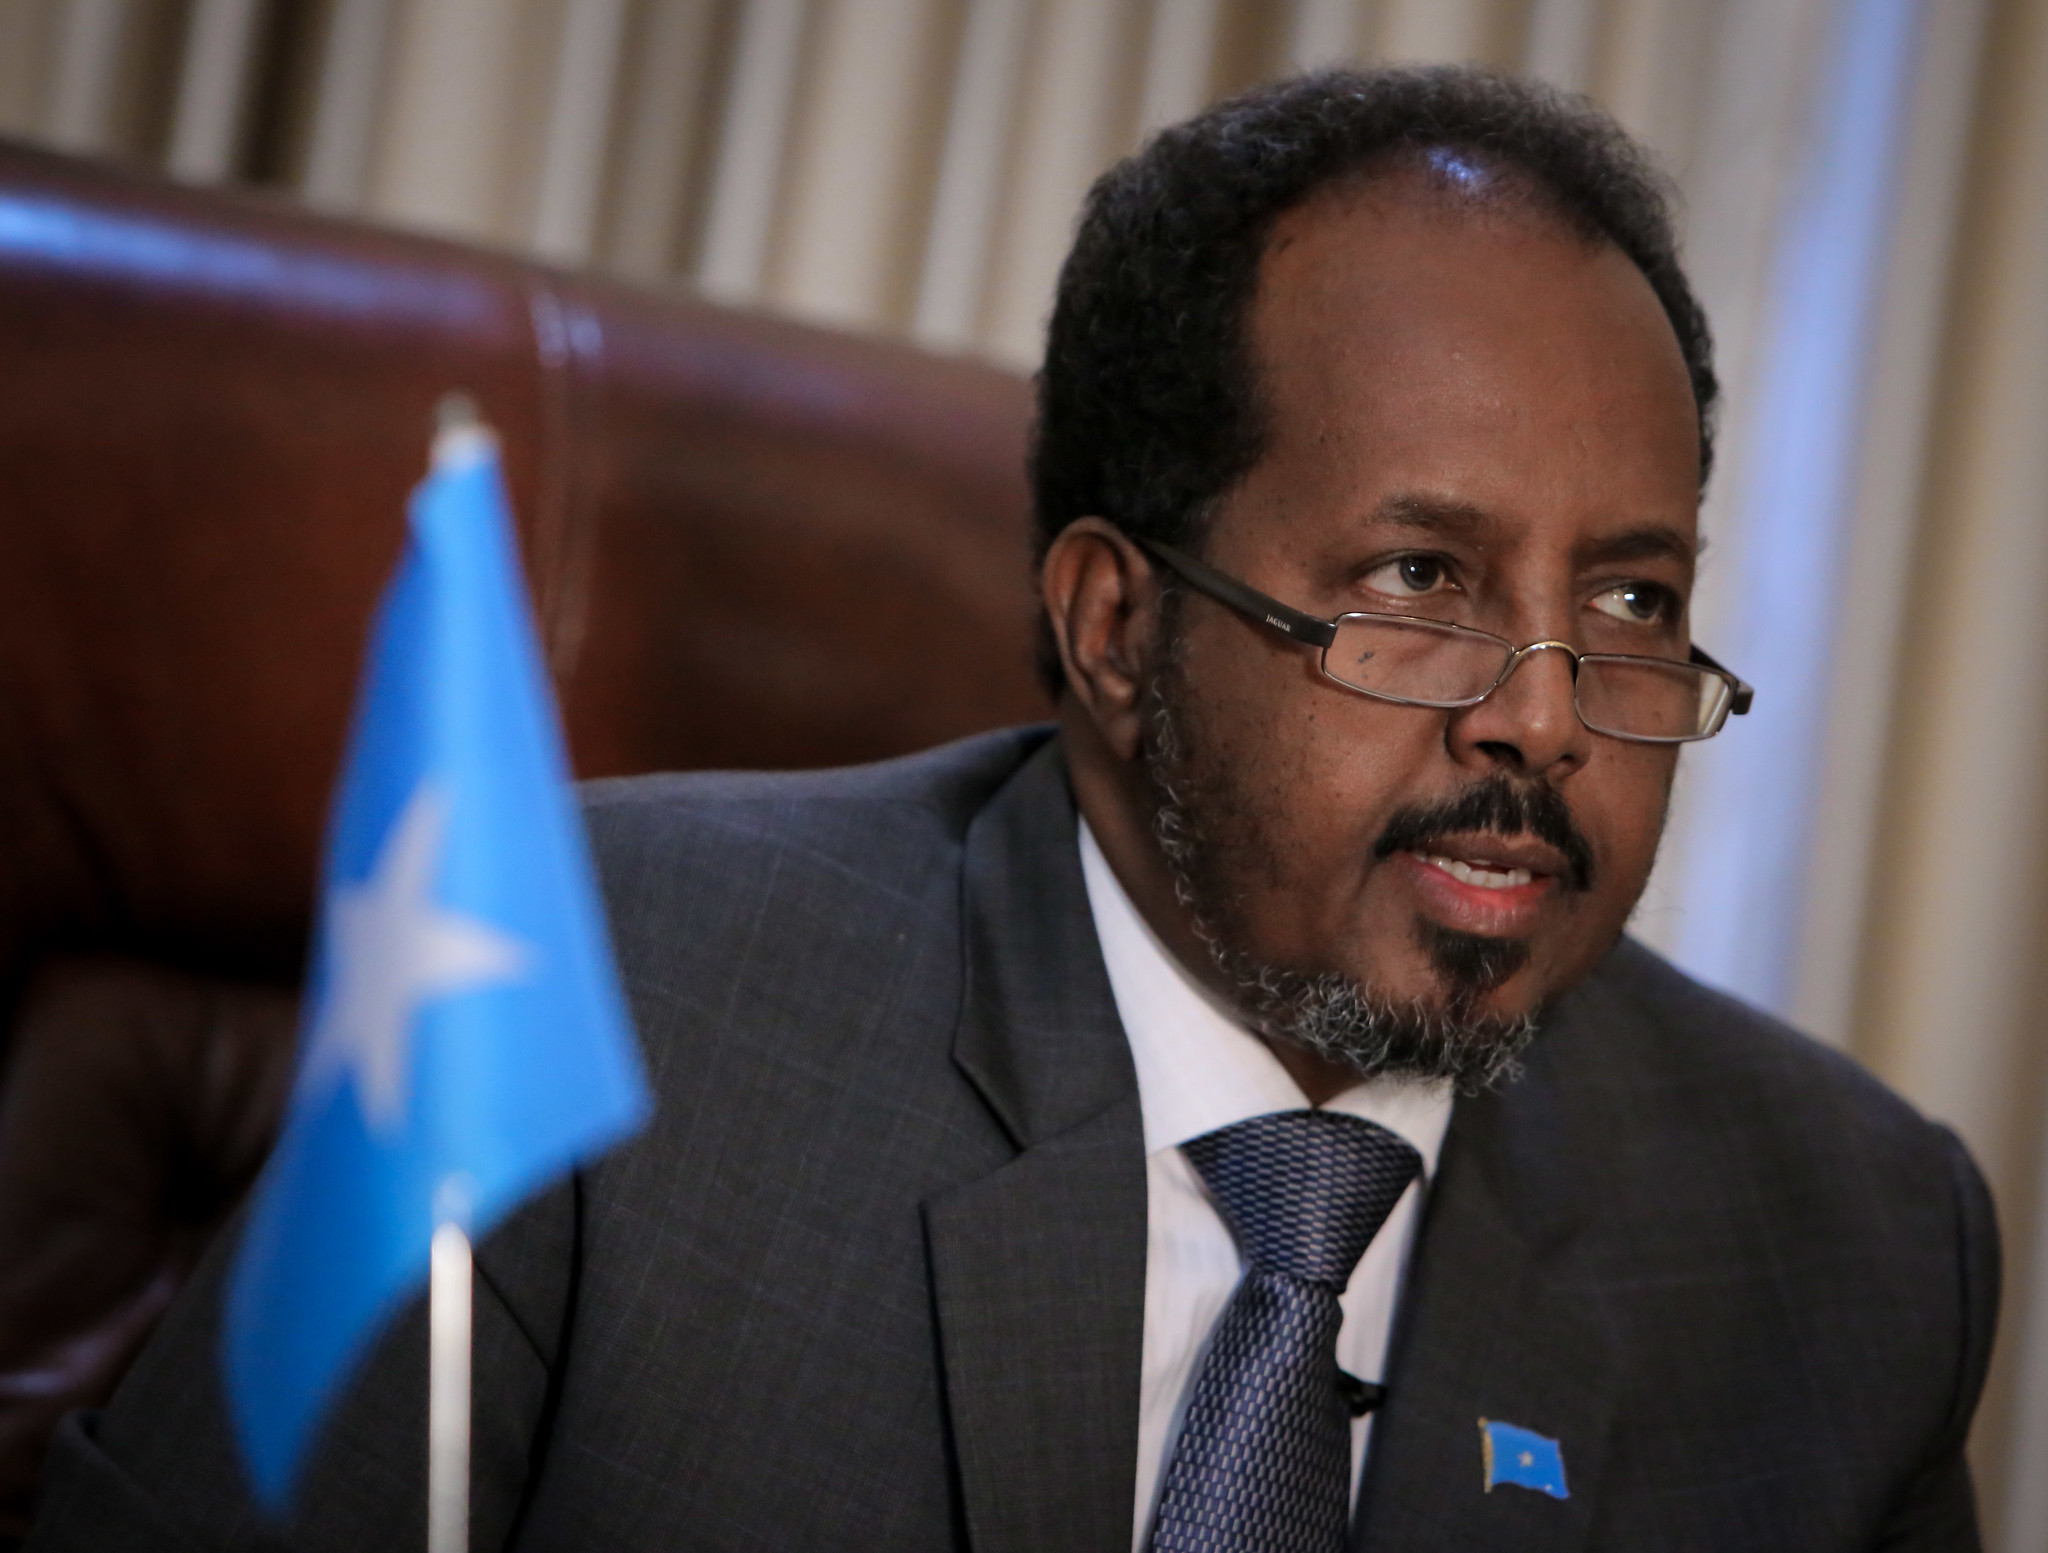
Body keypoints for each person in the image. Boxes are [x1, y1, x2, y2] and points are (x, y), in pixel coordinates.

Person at [27, 66, 1996, 1553]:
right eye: (1419, 581)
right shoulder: (593, 994)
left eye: (1632, 601)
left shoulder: (1848, 1252)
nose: (1548, 721)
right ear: (1115, 629)